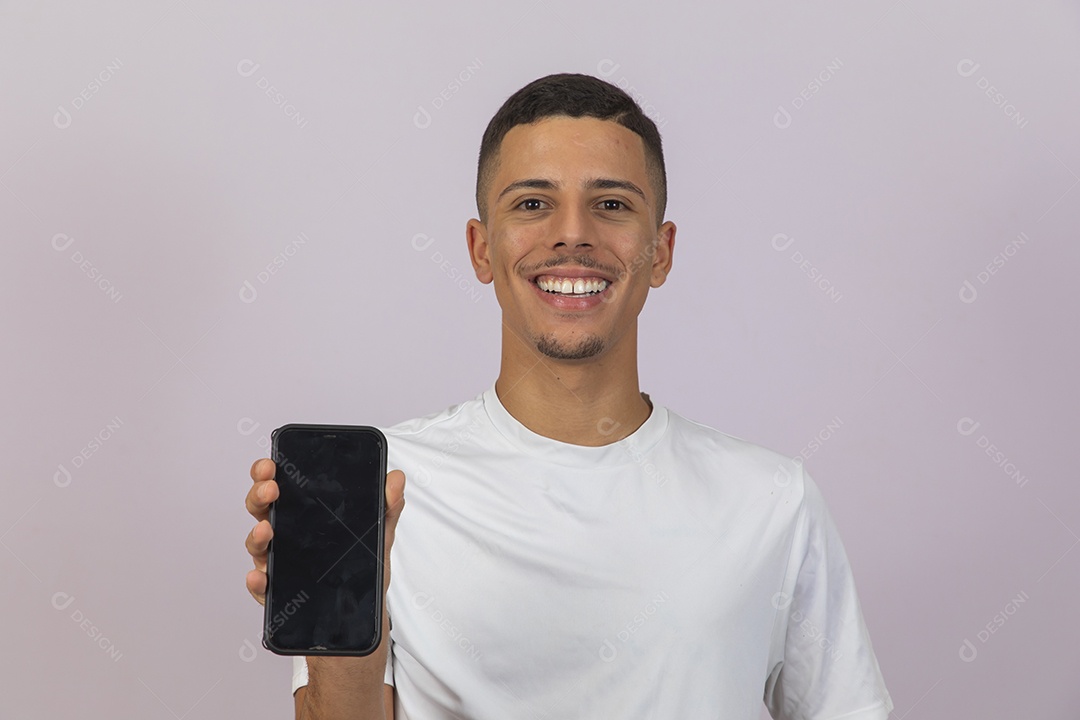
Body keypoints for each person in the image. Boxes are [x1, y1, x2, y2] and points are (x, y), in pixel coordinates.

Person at [244, 72, 894, 720]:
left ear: (660, 252)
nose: (573, 234)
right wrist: (342, 648)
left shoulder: (772, 500)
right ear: (481, 250)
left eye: (611, 204)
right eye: (532, 204)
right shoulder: (385, 492)